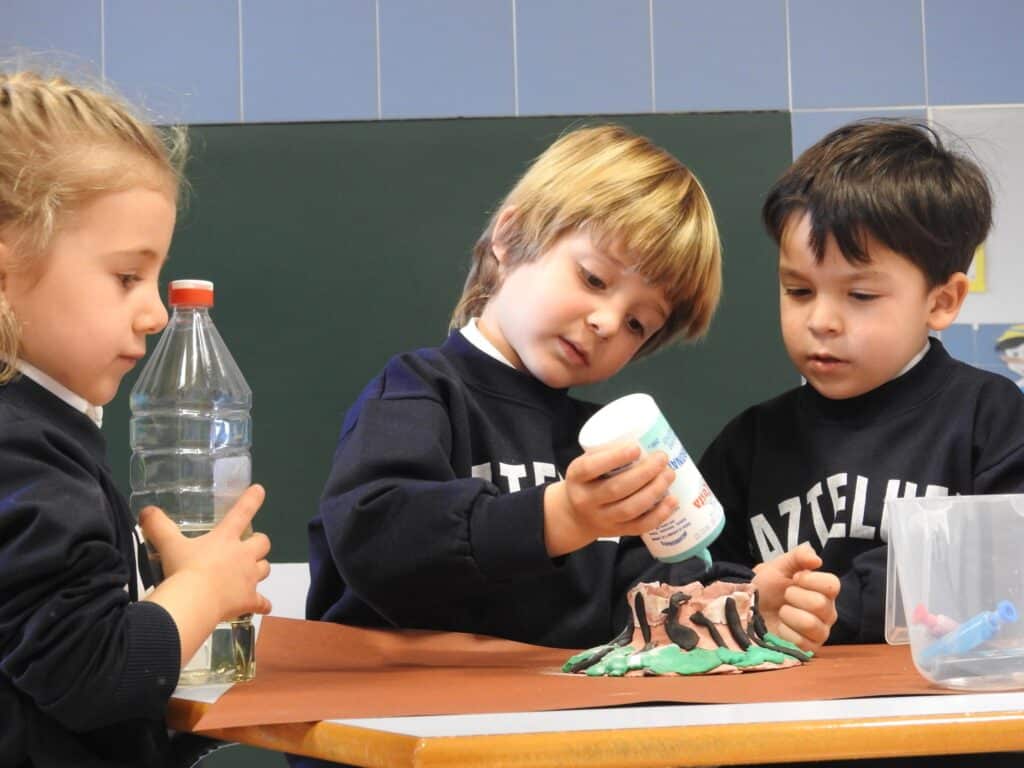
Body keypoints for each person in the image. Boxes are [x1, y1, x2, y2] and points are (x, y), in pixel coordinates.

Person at [305, 124, 839, 660]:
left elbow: (645, 588)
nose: (608, 322)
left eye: (638, 324)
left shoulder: (601, 447)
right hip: (400, 725)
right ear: (510, 240)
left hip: (544, 727)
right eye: (593, 280)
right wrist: (559, 518)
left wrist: (742, 605)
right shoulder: (416, 392)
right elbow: (375, 537)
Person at [0, 71, 273, 767]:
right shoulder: (20, 451)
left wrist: (171, 612)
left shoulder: (45, 432)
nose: (154, 314)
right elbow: (92, 677)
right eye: (127, 277)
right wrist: (201, 593)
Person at [699, 120, 1024, 645]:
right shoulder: (750, 443)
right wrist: (750, 596)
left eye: (861, 296)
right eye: (799, 290)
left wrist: (839, 605)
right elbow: (690, 572)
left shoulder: (990, 418)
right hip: (777, 710)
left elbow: (1002, 571)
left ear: (942, 301)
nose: (822, 320)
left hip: (937, 704)